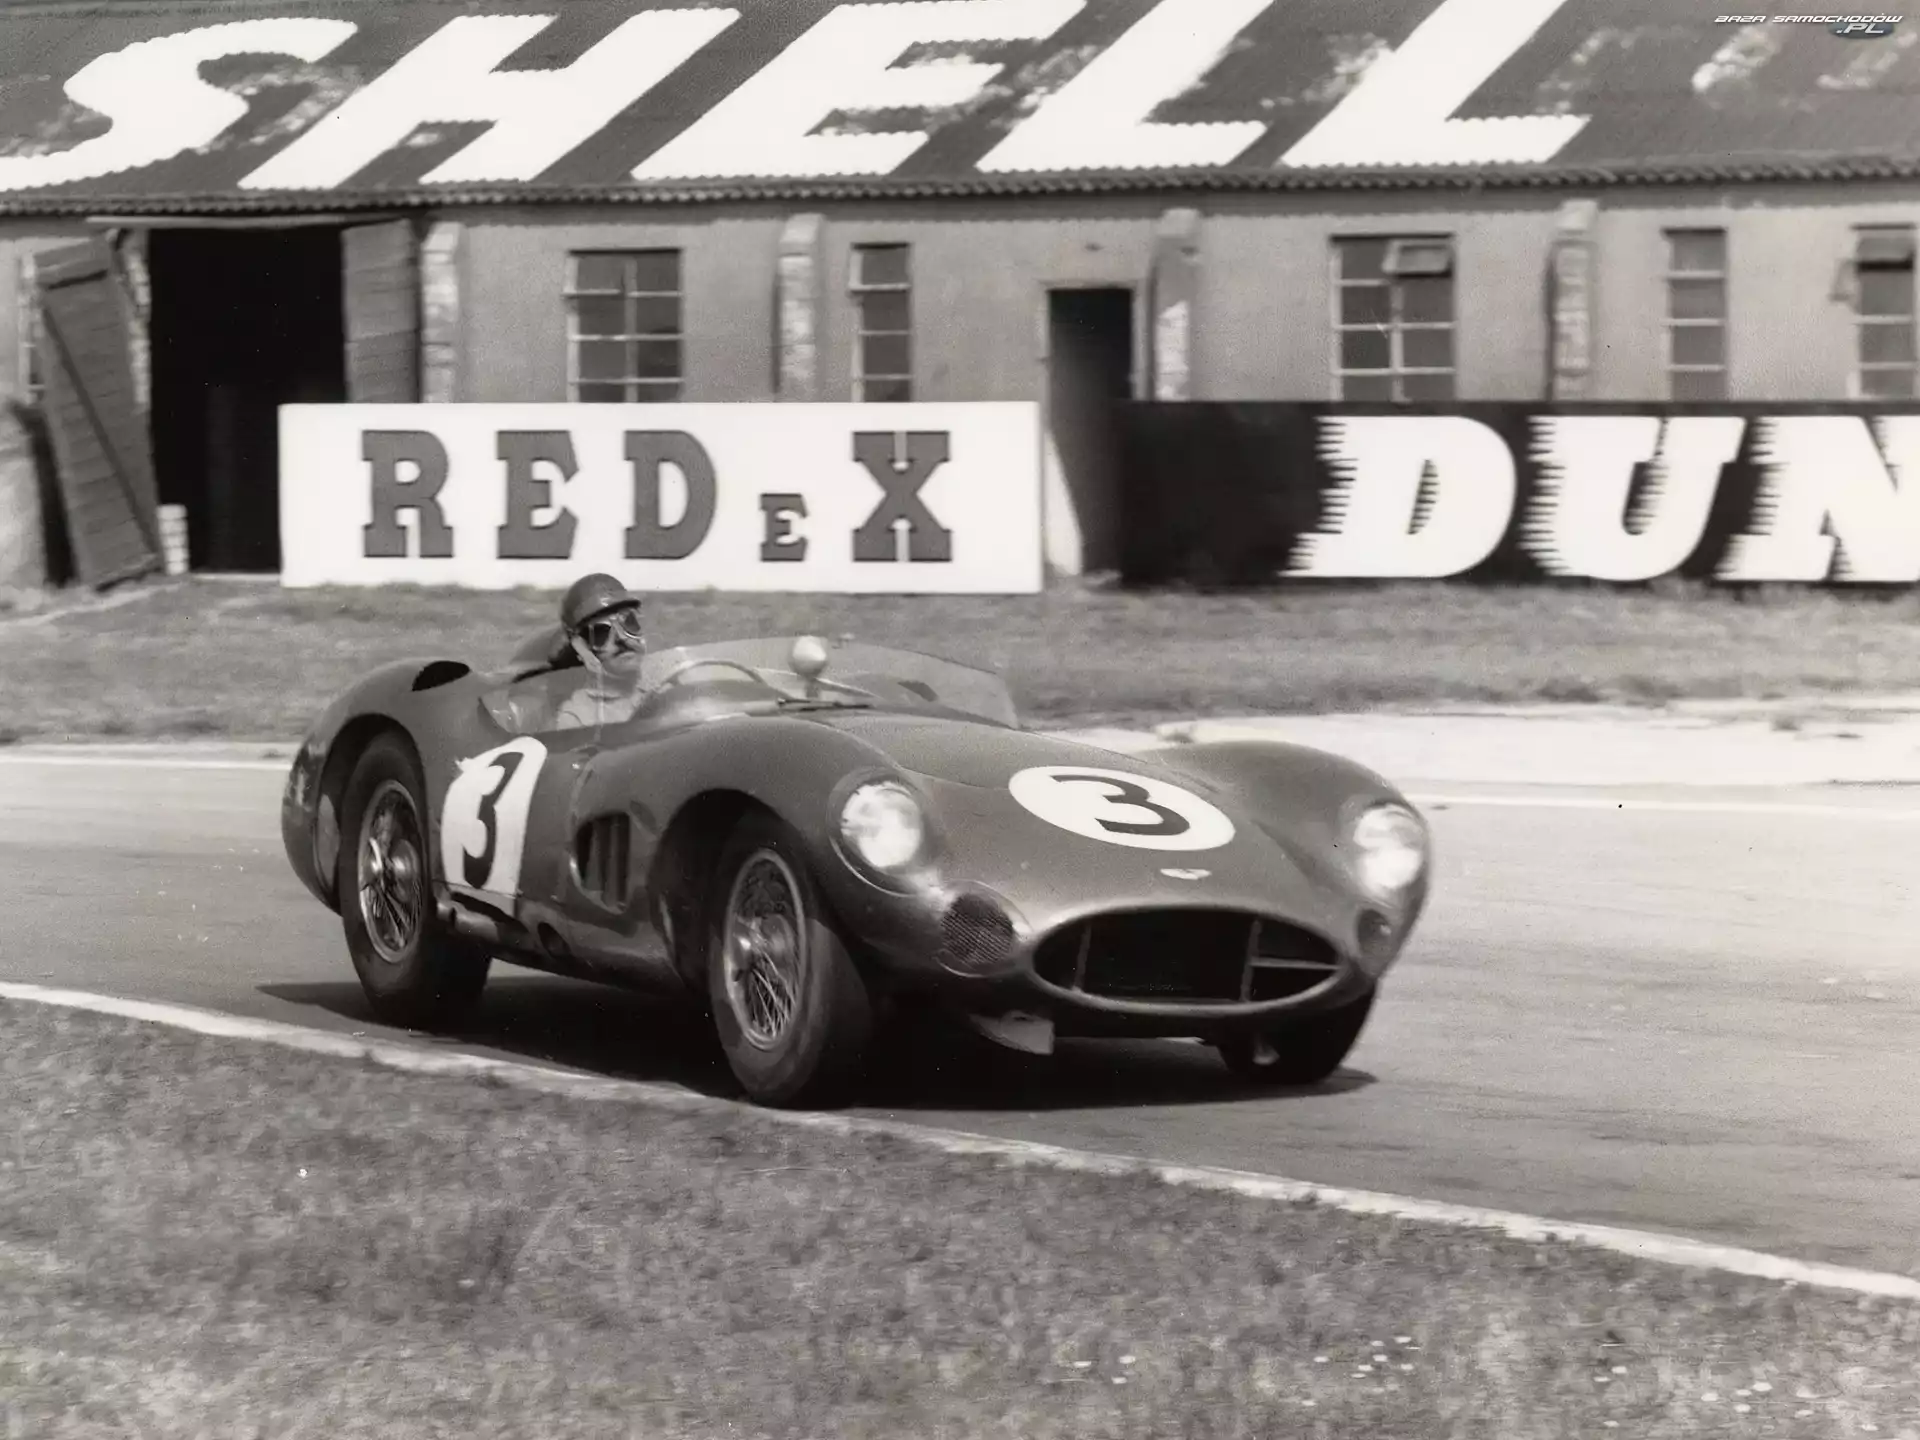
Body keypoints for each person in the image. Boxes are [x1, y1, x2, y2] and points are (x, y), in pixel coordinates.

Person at [553, 573, 651, 731]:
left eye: (629, 622)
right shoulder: (577, 717)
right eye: (600, 632)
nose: (621, 638)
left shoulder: (664, 685)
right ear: (580, 648)